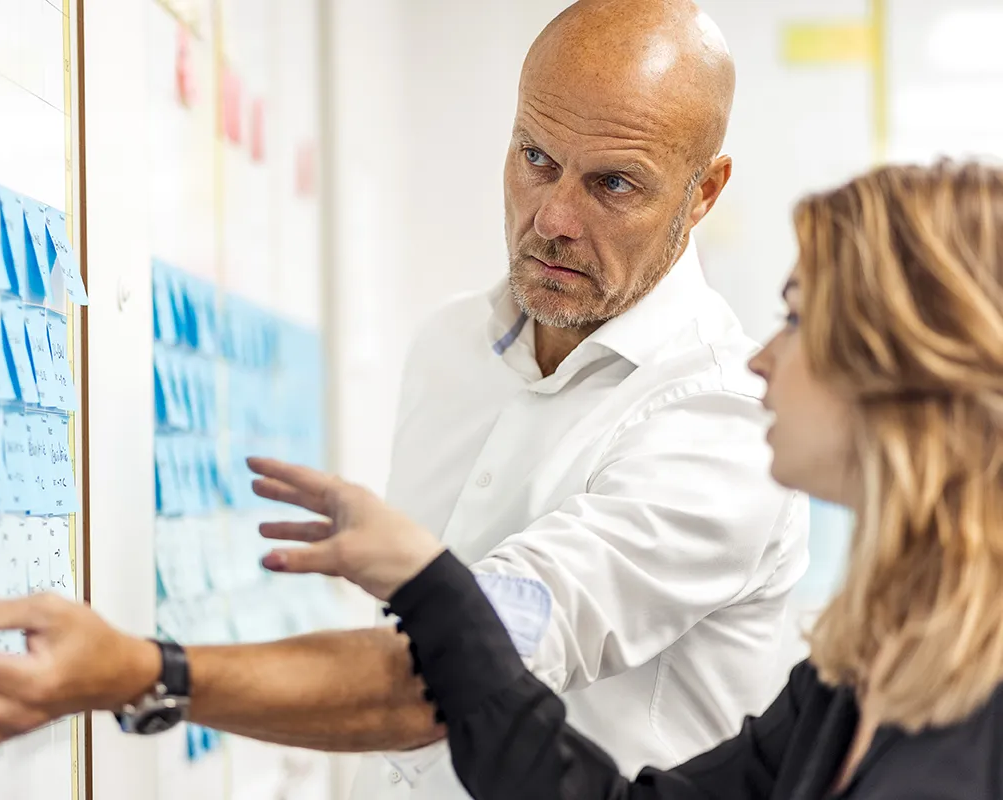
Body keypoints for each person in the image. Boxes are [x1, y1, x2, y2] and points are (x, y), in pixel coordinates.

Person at [0, 0, 809, 788]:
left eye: (612, 184)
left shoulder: (726, 427)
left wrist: (141, 671)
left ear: (704, 194)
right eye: (535, 157)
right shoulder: (450, 349)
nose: (553, 218)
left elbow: (459, 675)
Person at [237, 160, 1003, 798]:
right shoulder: (854, 678)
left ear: (913, 368)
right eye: (536, 157)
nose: (764, 356)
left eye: (799, 320)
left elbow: (433, 682)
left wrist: (150, 675)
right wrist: (433, 586)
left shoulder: (710, 411)